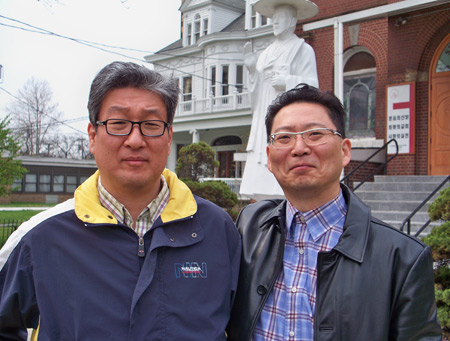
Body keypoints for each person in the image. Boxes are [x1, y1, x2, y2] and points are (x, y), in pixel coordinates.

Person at [0, 61, 241, 340]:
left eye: (151, 125)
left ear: (169, 136)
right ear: (92, 136)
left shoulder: (217, 230)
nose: (135, 140)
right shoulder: (40, 237)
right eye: (118, 124)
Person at [227, 84, 442, 340]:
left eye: (315, 134)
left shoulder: (402, 258)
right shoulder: (249, 227)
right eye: (284, 137)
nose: (299, 148)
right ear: (270, 159)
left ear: (345, 151)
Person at [240, 0, 319, 201]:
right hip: (265, 113)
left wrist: (289, 81)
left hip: (287, 115)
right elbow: (256, 91)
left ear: (292, 21)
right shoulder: (266, 53)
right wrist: (251, 70)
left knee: (283, 143)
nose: (275, 22)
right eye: (273, 19)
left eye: (281, 18)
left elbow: (313, 85)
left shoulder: (303, 49)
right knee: (264, 148)